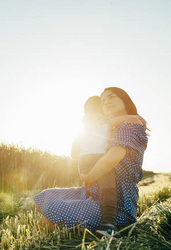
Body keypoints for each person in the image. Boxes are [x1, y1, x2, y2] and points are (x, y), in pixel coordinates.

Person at [34, 87, 148, 236]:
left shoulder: (132, 122)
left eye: (111, 97)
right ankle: (57, 238)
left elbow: (112, 157)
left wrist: (89, 177)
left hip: (117, 200)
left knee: (53, 207)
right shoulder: (107, 128)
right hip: (94, 192)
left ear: (124, 100)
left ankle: (108, 226)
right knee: (44, 197)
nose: (106, 102)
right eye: (103, 101)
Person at [70, 96, 119, 233]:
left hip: (83, 159)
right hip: (101, 158)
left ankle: (85, 217)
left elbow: (73, 154)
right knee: (108, 189)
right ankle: (108, 223)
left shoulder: (83, 125)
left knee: (91, 190)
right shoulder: (108, 121)